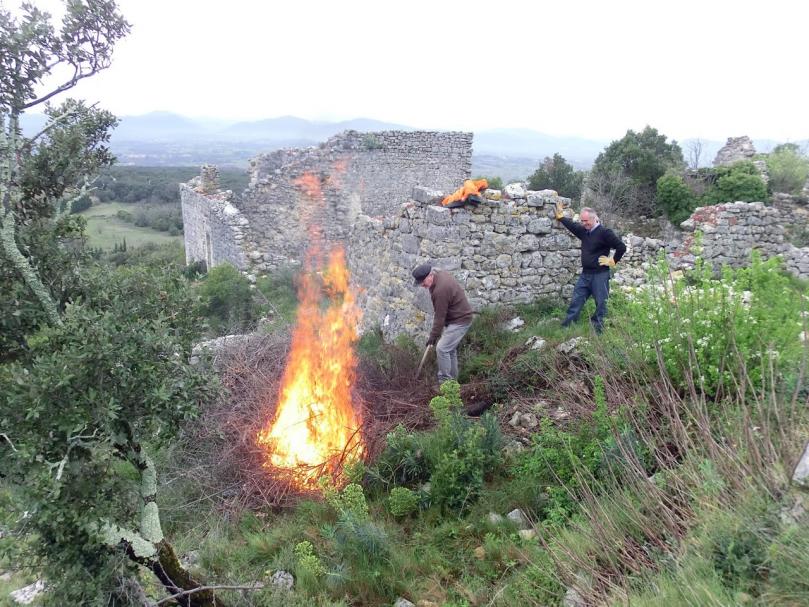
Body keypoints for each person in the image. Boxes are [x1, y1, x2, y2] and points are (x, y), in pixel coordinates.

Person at [554, 201, 626, 333]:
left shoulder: (605, 233)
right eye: (582, 221)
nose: (584, 223)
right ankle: (567, 326)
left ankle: (598, 330)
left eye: (586, 221)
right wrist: (561, 217)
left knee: (601, 304)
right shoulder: (584, 231)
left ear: (594, 218)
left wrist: (613, 261)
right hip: (585, 274)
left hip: (600, 275)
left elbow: (621, 247)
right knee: (576, 300)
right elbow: (573, 226)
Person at [412, 263, 474, 383]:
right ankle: (453, 383)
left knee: (442, 349)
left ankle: (445, 382)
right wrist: (435, 335)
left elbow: (440, 316)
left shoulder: (440, 290)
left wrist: (433, 336)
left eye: (423, 282)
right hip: (457, 318)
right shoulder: (438, 274)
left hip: (460, 320)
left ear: (430, 275)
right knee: (450, 349)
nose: (423, 286)